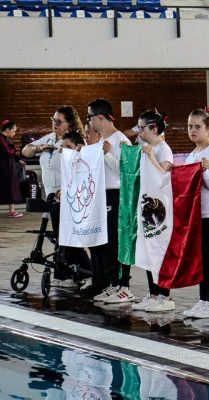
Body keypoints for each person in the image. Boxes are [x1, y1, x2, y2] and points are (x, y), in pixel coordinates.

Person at [24, 106, 89, 288]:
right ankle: (64, 273)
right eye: (53, 120)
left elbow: (82, 168)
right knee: (60, 236)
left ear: (70, 123)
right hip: (52, 193)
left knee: (68, 235)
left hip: (68, 193)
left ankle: (85, 270)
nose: (55, 125)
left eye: (59, 122)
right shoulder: (50, 138)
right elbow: (25, 151)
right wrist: (39, 147)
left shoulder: (75, 141)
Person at [83, 99, 135, 303]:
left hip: (118, 195)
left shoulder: (120, 140)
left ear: (100, 117)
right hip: (103, 195)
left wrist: (106, 154)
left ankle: (124, 286)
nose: (88, 121)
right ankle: (112, 284)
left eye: (89, 116)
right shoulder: (102, 140)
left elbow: (127, 172)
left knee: (116, 243)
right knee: (105, 243)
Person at [130, 110, 176, 314]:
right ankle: (154, 294)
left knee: (160, 250)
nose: (139, 132)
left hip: (160, 209)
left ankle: (165, 295)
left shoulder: (163, 149)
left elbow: (163, 176)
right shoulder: (146, 147)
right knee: (149, 251)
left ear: (154, 128)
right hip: (146, 206)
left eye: (141, 128)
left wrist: (150, 155)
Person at [182, 109, 209, 319]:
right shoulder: (193, 153)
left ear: (208, 128)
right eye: (190, 126)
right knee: (201, 259)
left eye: (198, 126)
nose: (193, 130)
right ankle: (204, 300)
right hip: (198, 213)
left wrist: (206, 171)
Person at [0, 120, 24, 218]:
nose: (14, 133)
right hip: (3, 167)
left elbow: (12, 153)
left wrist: (19, 160)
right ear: (8, 130)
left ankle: (12, 211)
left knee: (11, 186)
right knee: (7, 187)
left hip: (8, 166)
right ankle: (12, 211)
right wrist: (13, 147)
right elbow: (9, 151)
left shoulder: (6, 139)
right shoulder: (1, 138)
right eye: (13, 131)